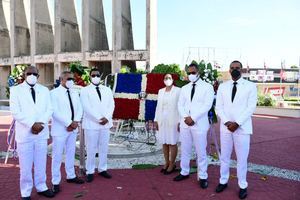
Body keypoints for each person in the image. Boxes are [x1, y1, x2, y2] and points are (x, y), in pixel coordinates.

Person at [10, 66, 55, 199]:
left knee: (41, 163)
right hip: (25, 133)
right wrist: (31, 124)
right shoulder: (16, 90)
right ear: (24, 75)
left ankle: (41, 186)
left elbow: (50, 109)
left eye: (34, 74)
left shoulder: (44, 90)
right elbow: (15, 111)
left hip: (41, 132)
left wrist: (40, 124)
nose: (32, 75)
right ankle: (26, 192)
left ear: (38, 76)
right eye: (29, 73)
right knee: (25, 166)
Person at [215, 60, 257, 199]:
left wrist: (237, 123)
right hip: (226, 128)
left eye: (237, 68)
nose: (235, 70)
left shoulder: (250, 86)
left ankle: (242, 185)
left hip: (242, 128)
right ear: (229, 70)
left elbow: (250, 107)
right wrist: (227, 122)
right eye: (232, 68)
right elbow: (218, 107)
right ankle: (223, 181)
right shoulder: (223, 87)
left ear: (242, 69)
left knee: (242, 159)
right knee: (225, 157)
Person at [174, 63, 214, 189]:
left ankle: (203, 176)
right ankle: (184, 171)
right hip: (186, 123)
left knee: (201, 151)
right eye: (189, 73)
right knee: (185, 149)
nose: (191, 75)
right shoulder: (184, 88)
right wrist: (186, 117)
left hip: (200, 124)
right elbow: (180, 104)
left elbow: (207, 105)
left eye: (193, 72)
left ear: (198, 72)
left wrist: (194, 118)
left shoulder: (207, 87)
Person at [50, 71, 84, 194]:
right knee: (57, 156)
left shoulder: (75, 92)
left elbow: (79, 108)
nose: (71, 81)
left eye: (72, 79)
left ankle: (71, 176)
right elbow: (54, 111)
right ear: (61, 79)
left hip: (73, 128)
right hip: (60, 129)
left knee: (70, 153)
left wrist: (76, 122)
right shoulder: (53, 93)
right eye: (68, 78)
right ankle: (55, 181)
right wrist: (68, 123)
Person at [80, 68, 115, 182]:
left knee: (104, 147)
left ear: (101, 76)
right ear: (90, 77)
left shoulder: (107, 89)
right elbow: (86, 107)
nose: (95, 77)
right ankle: (90, 170)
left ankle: (102, 168)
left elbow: (111, 105)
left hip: (105, 123)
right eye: (93, 75)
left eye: (97, 75)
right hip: (92, 124)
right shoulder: (85, 90)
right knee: (91, 148)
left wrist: (107, 117)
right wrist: (99, 118)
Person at [154, 74, 180, 175]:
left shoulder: (178, 90)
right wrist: (156, 120)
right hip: (162, 119)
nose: (167, 80)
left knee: (172, 142)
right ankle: (166, 162)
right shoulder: (161, 91)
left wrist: (180, 121)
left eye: (169, 78)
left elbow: (181, 106)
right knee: (164, 141)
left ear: (172, 80)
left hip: (173, 119)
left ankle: (172, 164)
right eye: (165, 78)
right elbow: (158, 106)